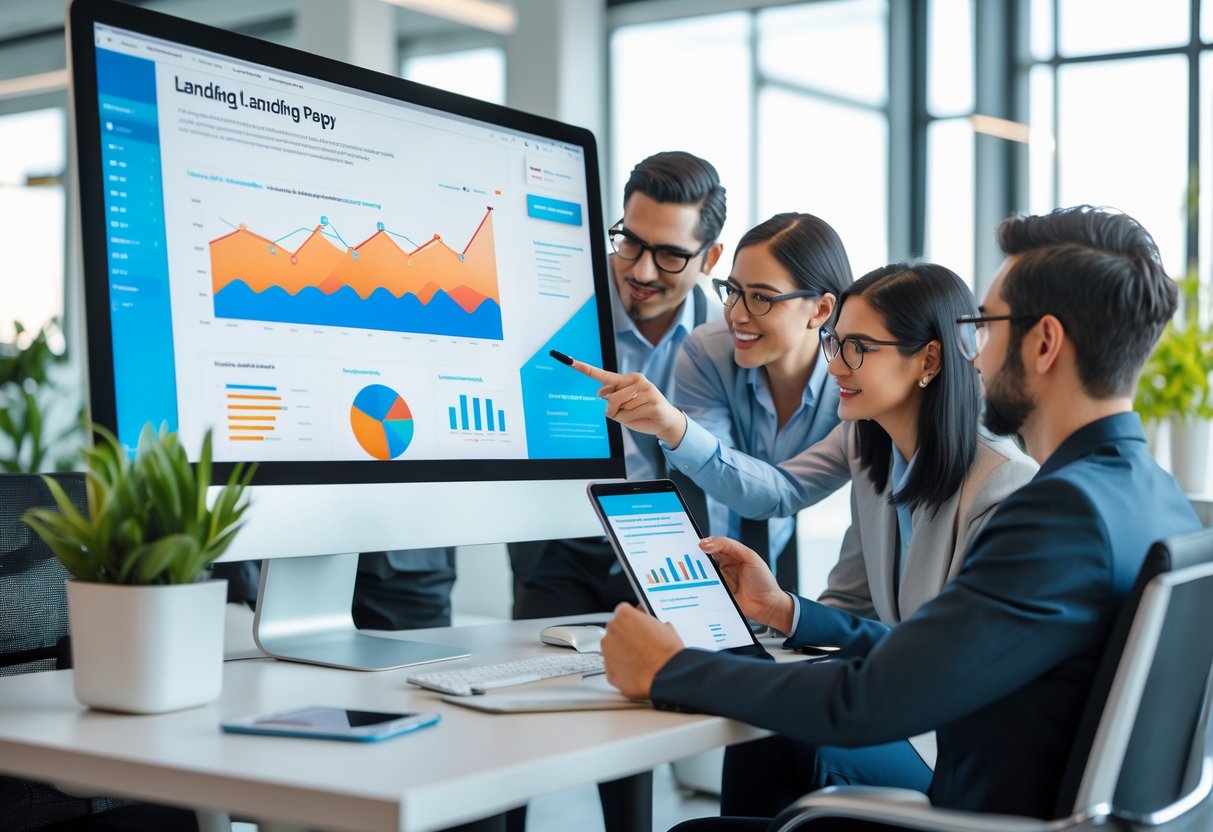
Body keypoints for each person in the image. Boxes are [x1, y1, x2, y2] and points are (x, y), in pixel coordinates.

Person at [598, 205, 1202, 828]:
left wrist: (672, 669)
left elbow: (870, 701)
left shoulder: (1057, 513)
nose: (978, 357)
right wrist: (786, 611)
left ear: (1044, 342)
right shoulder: (1158, 498)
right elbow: (931, 653)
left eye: (987, 329)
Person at [571, 260, 1039, 801]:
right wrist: (780, 608)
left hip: (957, 757)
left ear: (928, 359)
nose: (835, 364)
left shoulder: (1001, 486)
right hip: (904, 718)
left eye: (857, 348)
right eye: (834, 343)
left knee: (790, 729)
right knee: (767, 726)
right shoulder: (872, 448)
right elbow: (784, 502)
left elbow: (942, 664)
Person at [509, 150, 726, 619]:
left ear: (710, 258)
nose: (642, 272)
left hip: (670, 552)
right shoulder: (561, 303)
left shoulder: (725, 339)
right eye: (630, 242)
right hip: (561, 545)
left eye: (669, 254)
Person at [672, 212, 851, 585]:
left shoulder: (853, 388)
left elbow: (782, 493)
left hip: (784, 549)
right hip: (700, 548)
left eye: (761, 299)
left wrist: (676, 430)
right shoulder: (706, 352)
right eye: (733, 291)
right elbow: (720, 477)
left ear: (819, 310)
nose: (736, 314)